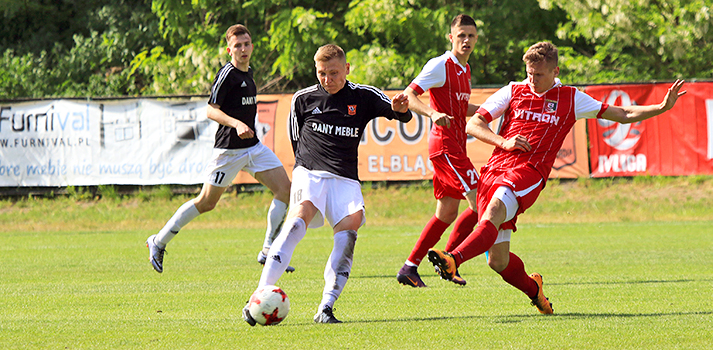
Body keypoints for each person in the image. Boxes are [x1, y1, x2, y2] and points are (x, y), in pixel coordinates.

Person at [427, 41, 686, 314]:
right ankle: (535, 291)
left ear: (555, 71)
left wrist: (661, 107)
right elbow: (474, 123)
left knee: (493, 211)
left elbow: (621, 114)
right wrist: (503, 142)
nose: (532, 79)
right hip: (494, 170)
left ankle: (454, 257)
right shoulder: (513, 90)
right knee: (498, 262)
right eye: (529, 73)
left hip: (529, 173)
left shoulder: (570, 97)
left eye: (538, 75)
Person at [243, 44, 412, 325]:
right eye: (322, 73)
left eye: (333, 72)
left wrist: (400, 110)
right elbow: (296, 140)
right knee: (299, 219)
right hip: (310, 172)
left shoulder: (364, 96)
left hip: (345, 177)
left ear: (346, 69)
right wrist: (303, 169)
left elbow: (399, 113)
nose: (327, 79)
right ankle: (258, 297)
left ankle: (326, 307)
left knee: (351, 227)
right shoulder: (303, 99)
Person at [146, 24, 293, 274]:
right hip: (229, 151)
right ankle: (157, 241)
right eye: (238, 45)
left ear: (252, 46)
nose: (243, 49)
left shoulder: (249, 74)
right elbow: (211, 109)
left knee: (285, 190)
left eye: (246, 44)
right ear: (229, 50)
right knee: (206, 203)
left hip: (253, 147)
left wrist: (245, 128)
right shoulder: (227, 74)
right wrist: (236, 124)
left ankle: (268, 249)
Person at [396, 14, 481, 288]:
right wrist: (432, 113)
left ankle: (409, 267)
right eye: (461, 35)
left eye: (471, 36)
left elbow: (461, 107)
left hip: (456, 145)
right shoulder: (441, 65)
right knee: (482, 202)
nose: (466, 40)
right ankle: (451, 259)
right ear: (451, 38)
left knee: (446, 213)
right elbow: (409, 95)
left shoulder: (464, 70)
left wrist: (487, 112)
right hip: (445, 146)